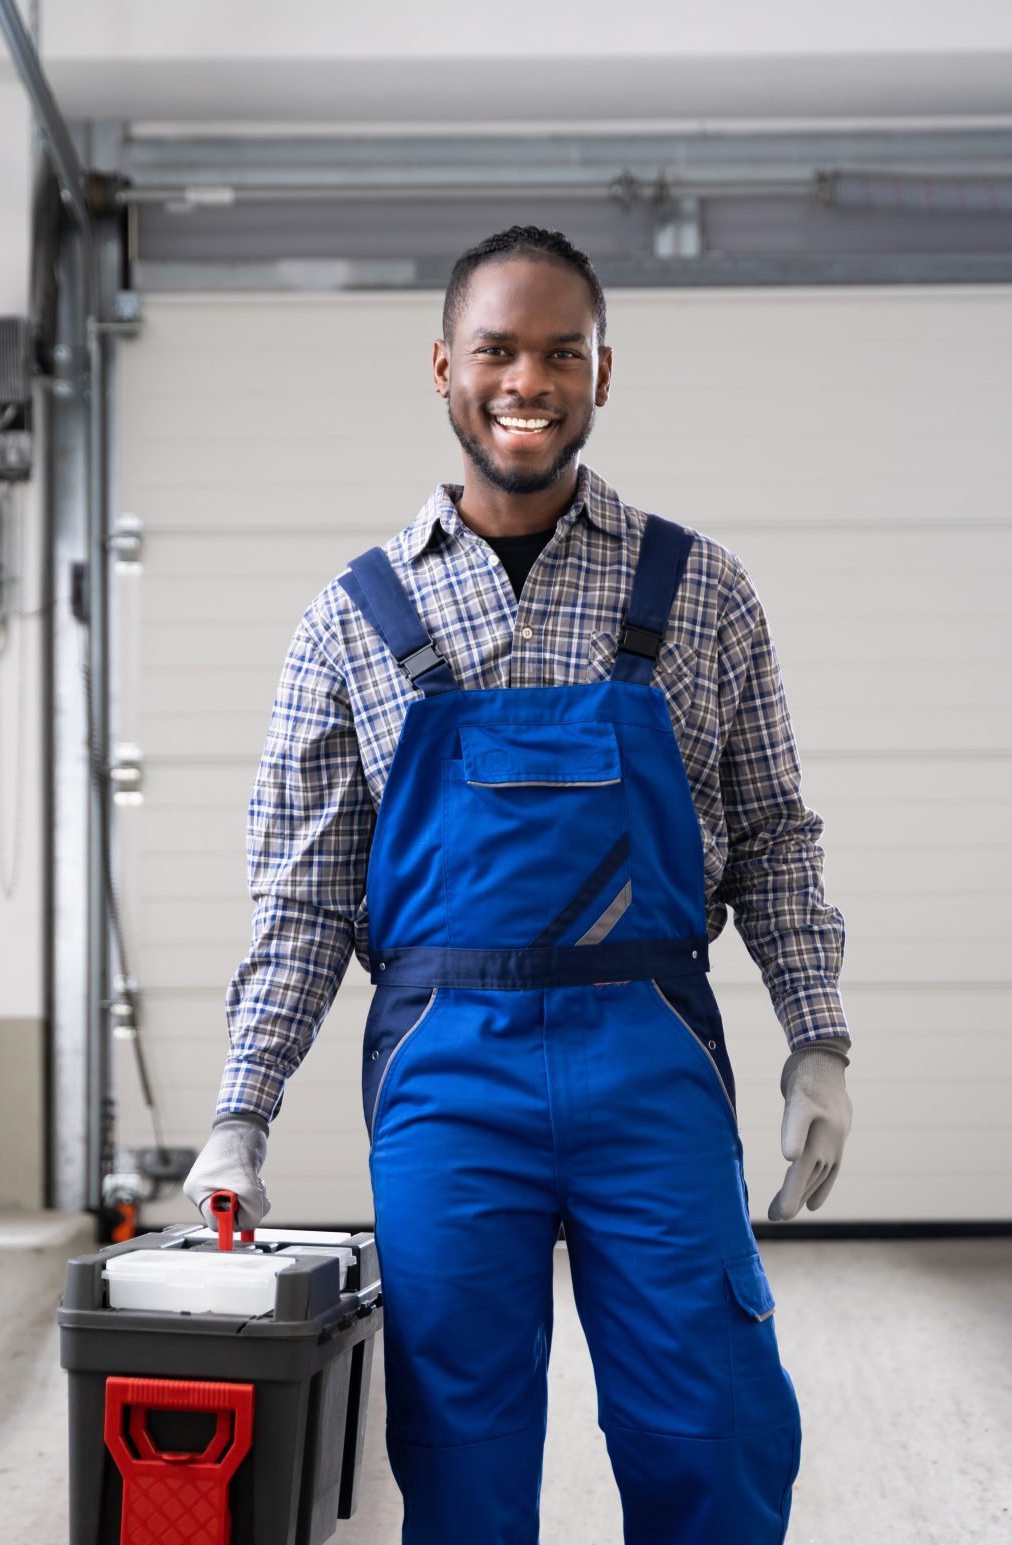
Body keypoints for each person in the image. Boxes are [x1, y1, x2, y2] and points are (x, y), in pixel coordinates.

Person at [182, 225, 853, 1543]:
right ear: (444, 365)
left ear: (604, 370)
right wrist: (239, 1111)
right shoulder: (351, 621)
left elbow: (773, 833)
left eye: (559, 353)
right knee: (462, 1444)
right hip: (449, 1072)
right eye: (497, 350)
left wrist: (816, 1040)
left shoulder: (702, 591)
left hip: (648, 1063)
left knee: (710, 1422)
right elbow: (305, 900)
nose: (526, 382)